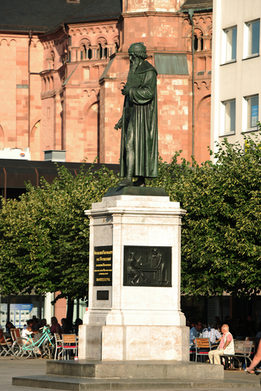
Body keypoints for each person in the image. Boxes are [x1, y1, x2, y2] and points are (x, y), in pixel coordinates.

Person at [115, 42, 158, 187]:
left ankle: (130, 177)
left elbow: (149, 93)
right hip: (132, 114)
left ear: (136, 56)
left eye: (131, 56)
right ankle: (136, 178)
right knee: (132, 144)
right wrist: (122, 119)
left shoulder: (149, 71)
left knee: (132, 144)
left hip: (143, 115)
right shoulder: (133, 71)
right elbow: (129, 99)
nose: (130, 60)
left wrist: (130, 92)